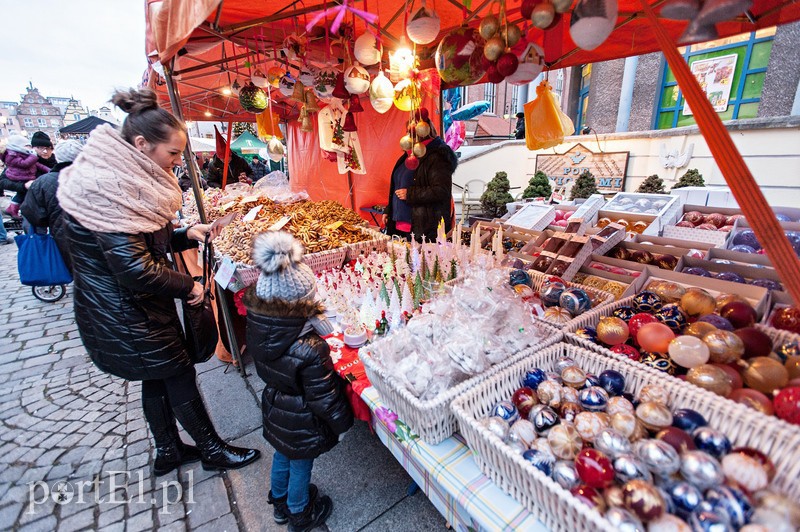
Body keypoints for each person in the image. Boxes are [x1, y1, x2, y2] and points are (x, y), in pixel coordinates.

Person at [57, 88, 261, 476]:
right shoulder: (109, 189)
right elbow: (135, 267)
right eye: (171, 154)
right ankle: (212, 450)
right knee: (178, 372)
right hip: (127, 311)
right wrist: (190, 287)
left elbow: (142, 241)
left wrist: (187, 234)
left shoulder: (121, 179)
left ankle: (168, 450)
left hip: (125, 307)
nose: (175, 163)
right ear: (140, 144)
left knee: (156, 376)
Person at [244, 231, 353, 532]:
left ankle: (279, 500)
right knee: (301, 461)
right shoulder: (310, 349)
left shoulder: (259, 327)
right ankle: (299, 511)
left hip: (277, 406)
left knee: (282, 453)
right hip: (303, 418)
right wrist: (343, 424)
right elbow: (325, 398)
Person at [382, 108, 458, 242]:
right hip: (400, 224)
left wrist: (410, 194)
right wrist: (389, 210)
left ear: (424, 131)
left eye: (412, 131)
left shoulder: (437, 156)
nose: (409, 134)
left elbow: (441, 190)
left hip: (423, 227)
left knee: (418, 262)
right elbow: (398, 184)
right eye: (408, 131)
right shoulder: (409, 155)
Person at [20, 140, 83, 270]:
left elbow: (34, 215)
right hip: (97, 237)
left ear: (57, 157)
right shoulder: (96, 177)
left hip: (62, 237)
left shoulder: (42, 182)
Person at [0, 135, 51, 218]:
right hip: (31, 208)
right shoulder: (17, 163)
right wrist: (23, 186)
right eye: (40, 148)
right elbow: (2, 182)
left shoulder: (56, 161)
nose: (45, 151)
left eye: (48, 148)